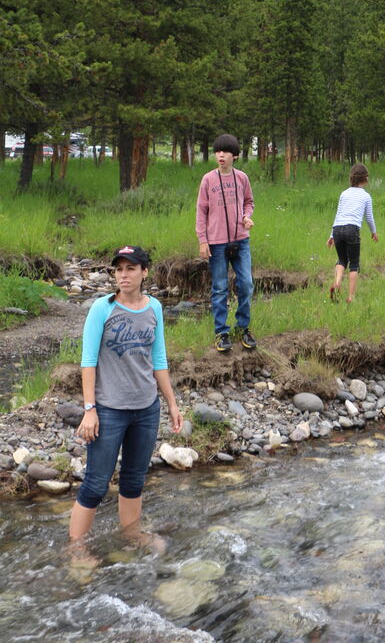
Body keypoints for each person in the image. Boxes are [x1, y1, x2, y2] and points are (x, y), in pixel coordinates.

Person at [68, 245, 182, 544]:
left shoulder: (154, 307)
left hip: (146, 408)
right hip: (109, 409)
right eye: (118, 269)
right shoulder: (101, 308)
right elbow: (88, 361)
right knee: (96, 483)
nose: (123, 275)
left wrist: (171, 403)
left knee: (133, 480)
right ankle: (76, 548)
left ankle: (132, 536)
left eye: (130, 268)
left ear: (144, 272)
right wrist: (89, 409)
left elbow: (158, 360)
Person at [196, 133, 256, 352]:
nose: (221, 155)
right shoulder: (208, 180)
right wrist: (203, 241)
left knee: (246, 284)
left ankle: (243, 328)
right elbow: (201, 212)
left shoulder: (242, 178)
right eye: (218, 151)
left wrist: (246, 215)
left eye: (226, 152)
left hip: (241, 240)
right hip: (217, 242)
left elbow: (249, 201)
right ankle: (221, 332)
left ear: (235, 156)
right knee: (220, 287)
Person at [327, 162, 378, 304]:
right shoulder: (366, 196)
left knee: (341, 260)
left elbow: (338, 215)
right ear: (366, 179)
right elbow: (369, 218)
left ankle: (337, 282)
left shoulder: (344, 194)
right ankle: (351, 297)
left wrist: (332, 236)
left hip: (337, 229)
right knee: (354, 264)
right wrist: (374, 232)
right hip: (352, 229)